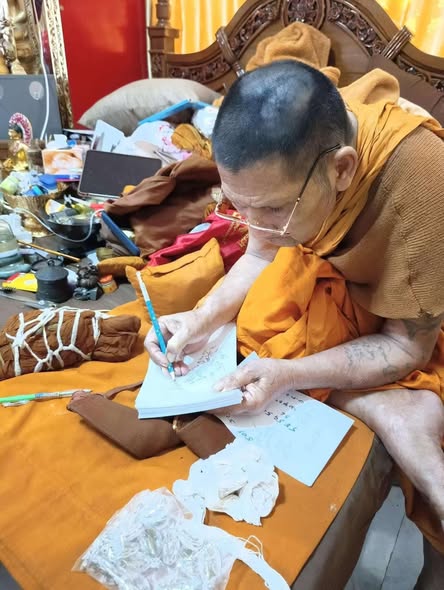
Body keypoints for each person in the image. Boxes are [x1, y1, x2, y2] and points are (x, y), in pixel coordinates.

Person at [145, 60, 444, 587]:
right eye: (239, 206)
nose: (254, 224)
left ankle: (395, 412)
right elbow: (262, 250)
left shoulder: (423, 185)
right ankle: (374, 403)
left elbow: (407, 347)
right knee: (260, 319)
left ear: (343, 171)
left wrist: (288, 374)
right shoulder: (289, 172)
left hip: (413, 308)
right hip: (332, 272)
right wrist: (198, 317)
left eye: (271, 209)